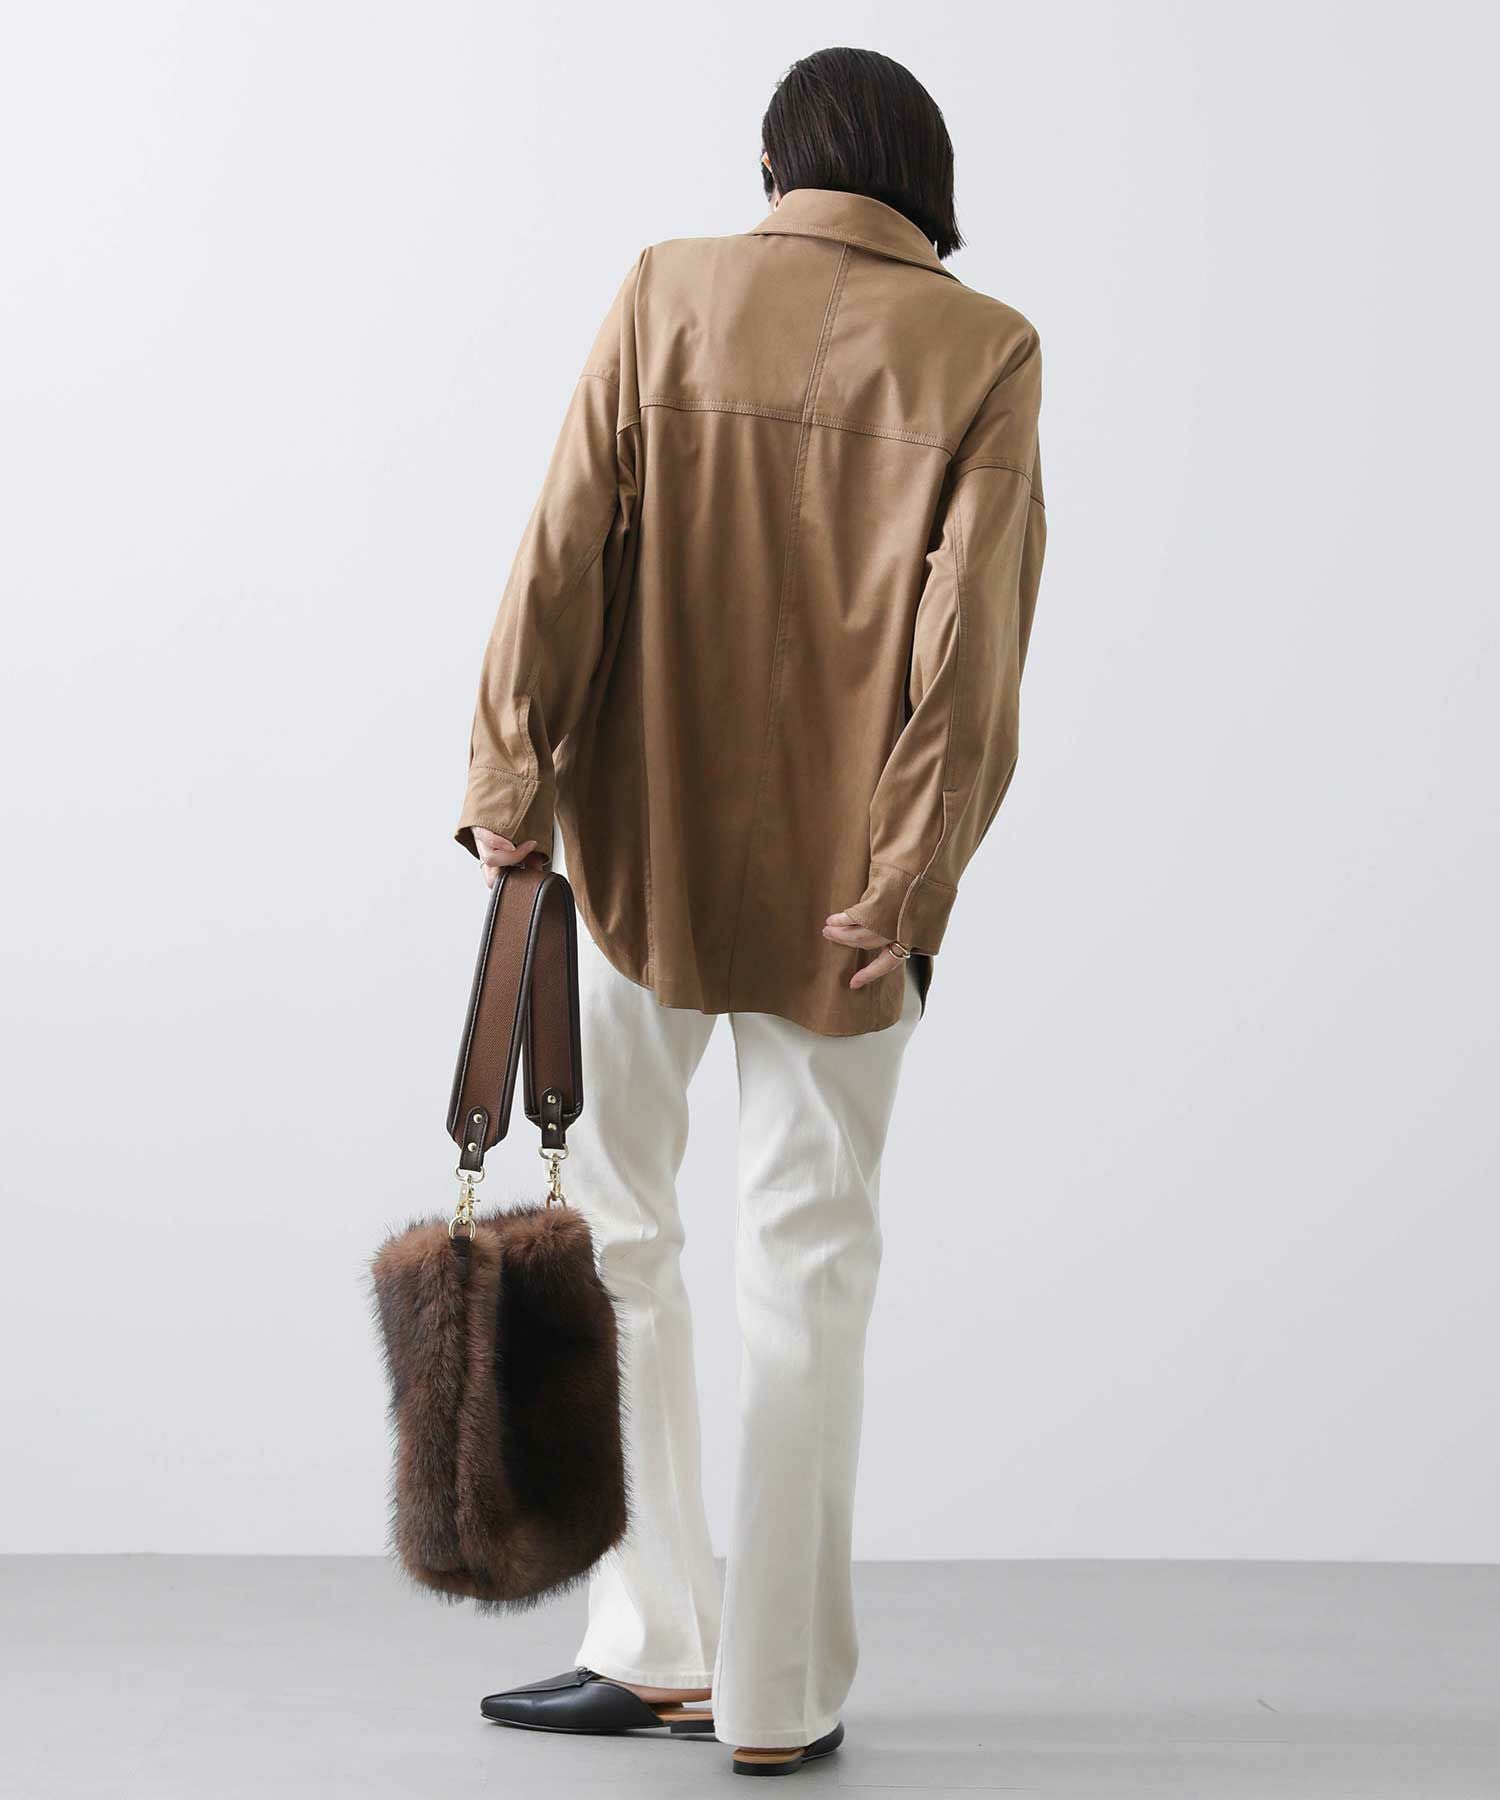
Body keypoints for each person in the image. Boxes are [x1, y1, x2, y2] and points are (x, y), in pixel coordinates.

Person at [454, 45, 1047, 1779]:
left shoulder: (669, 291)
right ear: (923, 179)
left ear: (780, 163)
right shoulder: (986, 348)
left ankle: (654, 1645)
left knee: (619, 1234)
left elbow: (559, 549)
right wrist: (909, 878)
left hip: (636, 857)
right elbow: (973, 641)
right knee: (810, 1267)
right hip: (850, 900)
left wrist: (509, 784)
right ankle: (777, 1697)